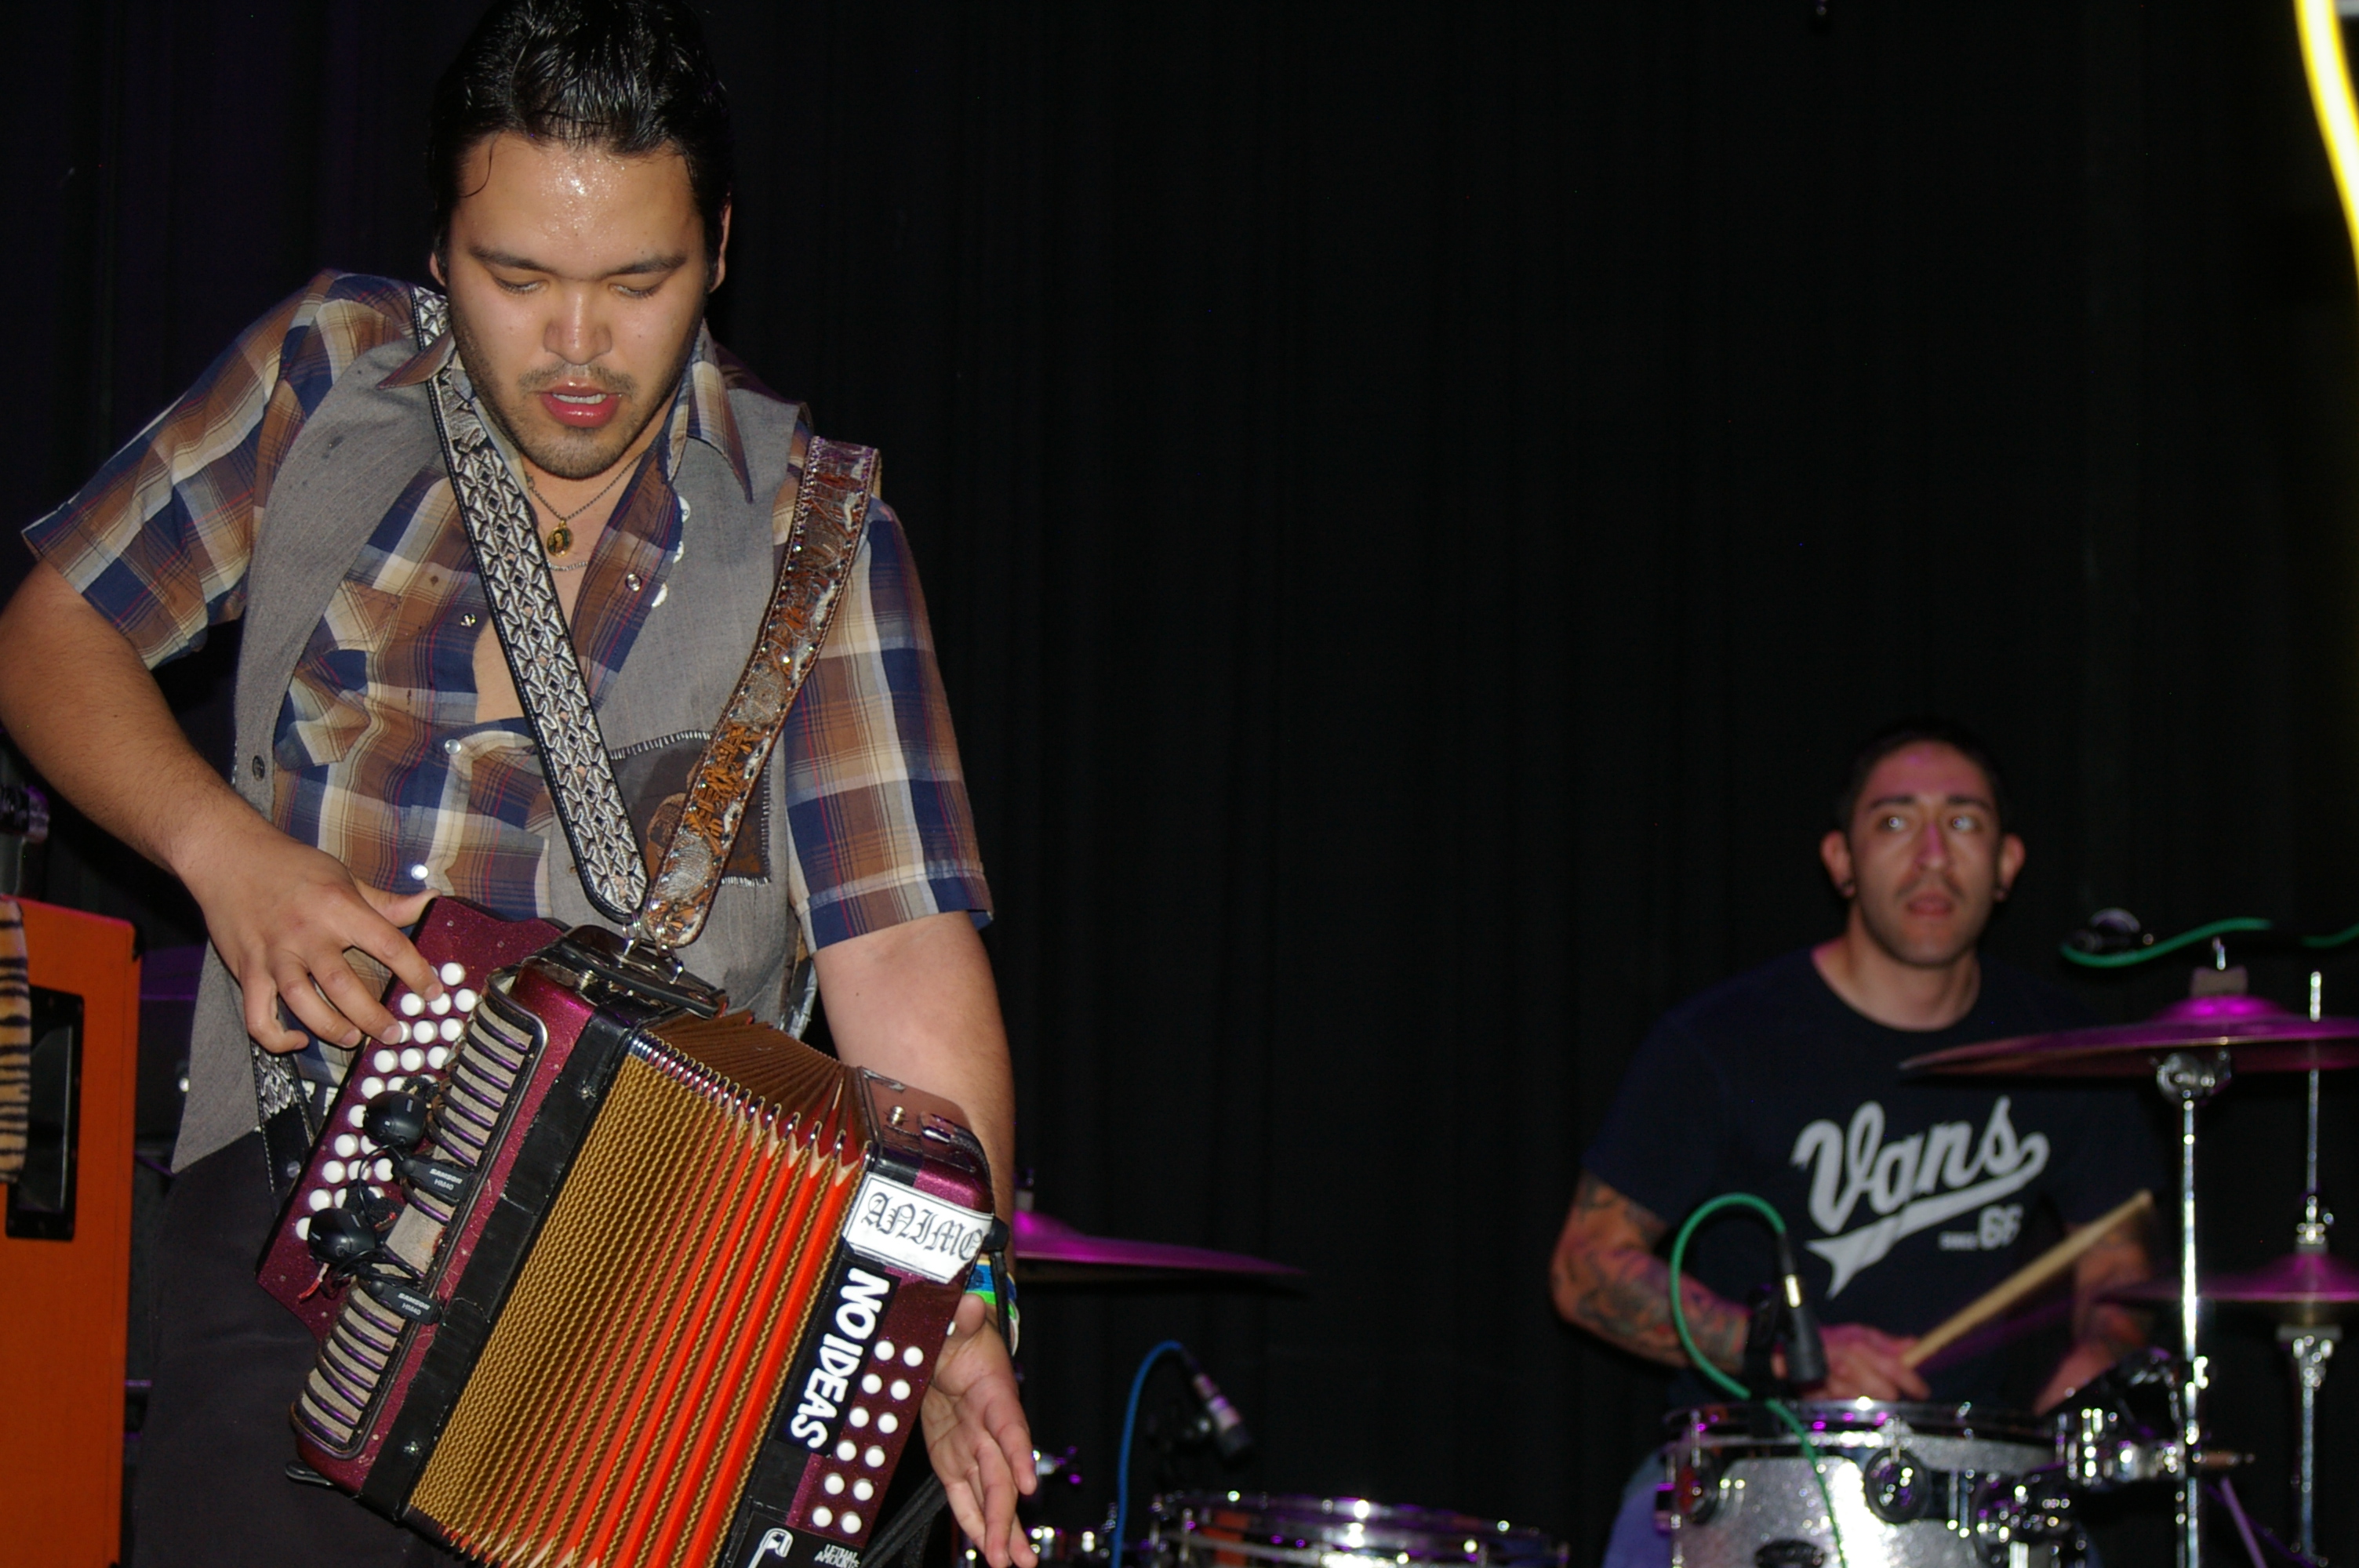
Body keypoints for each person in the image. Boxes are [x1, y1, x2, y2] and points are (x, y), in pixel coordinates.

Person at [0, 4, 1037, 1565]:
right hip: (291, 1225)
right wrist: (224, 853)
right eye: (518, 278)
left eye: (637, 282)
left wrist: (947, 1306)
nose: (576, 346)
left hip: (642, 1297)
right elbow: (49, 632)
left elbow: (901, 959)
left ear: (721, 249)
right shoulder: (323, 376)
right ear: (440, 249)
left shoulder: (819, 533)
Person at [1548, 721, 2161, 1566]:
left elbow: (2119, 1260)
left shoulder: (2064, 1052)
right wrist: (1780, 1350)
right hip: (1748, 1461)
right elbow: (1585, 1269)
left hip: (1970, 1477)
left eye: (1963, 822)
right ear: (1840, 860)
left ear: (2006, 863)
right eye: (1895, 821)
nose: (1932, 856)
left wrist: (2101, 1349)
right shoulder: (1722, 1041)